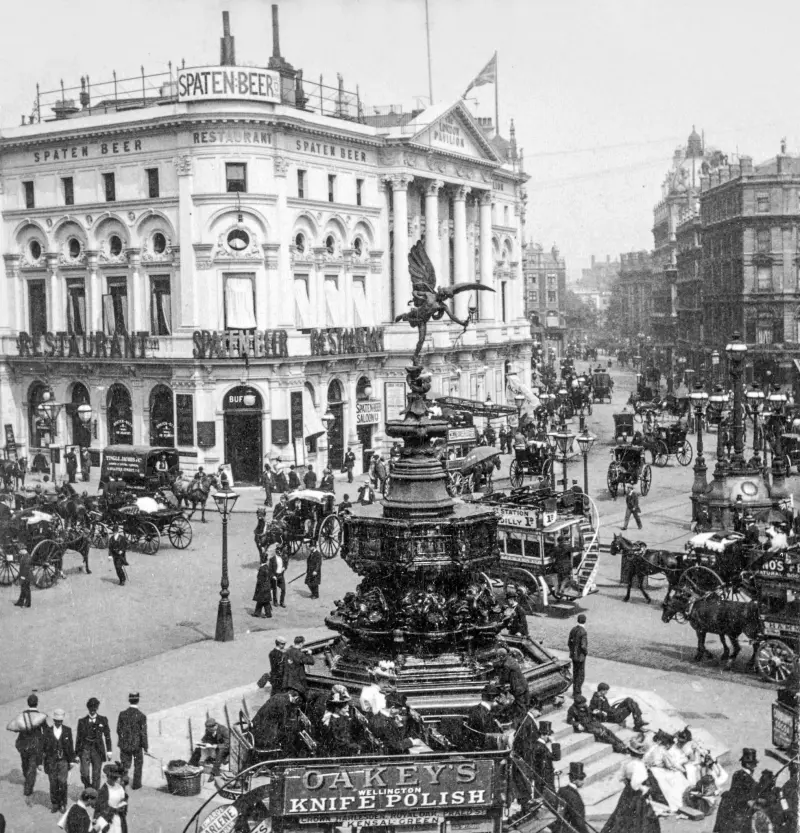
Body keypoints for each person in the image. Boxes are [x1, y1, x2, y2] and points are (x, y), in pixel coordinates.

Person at [602, 757, 661, 833]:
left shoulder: (626, 762)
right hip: (637, 794)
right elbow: (636, 785)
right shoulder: (638, 765)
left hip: (627, 792)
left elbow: (622, 778)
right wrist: (645, 789)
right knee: (639, 817)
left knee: (622, 814)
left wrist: (628, 783)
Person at [7, 692, 46, 796]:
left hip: (23, 744)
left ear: (28, 703)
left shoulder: (22, 715)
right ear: (36, 703)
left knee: (25, 764)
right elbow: (46, 731)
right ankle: (28, 789)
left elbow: (15, 727)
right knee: (32, 767)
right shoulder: (40, 717)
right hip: (35, 745)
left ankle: (27, 780)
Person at [713, 747, 759, 833]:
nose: (755, 766)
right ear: (748, 765)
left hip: (729, 805)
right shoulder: (747, 778)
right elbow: (745, 795)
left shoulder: (737, 773)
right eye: (754, 764)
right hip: (738, 808)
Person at [43, 707, 75, 813]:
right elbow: (43, 748)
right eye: (57, 720)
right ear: (54, 720)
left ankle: (63, 804)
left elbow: (70, 746)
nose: (58, 722)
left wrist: (71, 760)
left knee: (63, 782)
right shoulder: (47, 731)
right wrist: (42, 762)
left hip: (63, 761)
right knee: (53, 783)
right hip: (51, 762)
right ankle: (55, 804)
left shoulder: (67, 730)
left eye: (60, 721)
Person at [76, 698, 113, 790]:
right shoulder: (82, 721)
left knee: (96, 774)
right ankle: (88, 790)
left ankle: (95, 794)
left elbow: (107, 736)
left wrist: (109, 751)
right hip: (85, 750)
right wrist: (76, 754)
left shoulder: (103, 720)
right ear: (88, 708)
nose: (92, 710)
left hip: (98, 750)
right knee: (84, 773)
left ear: (97, 708)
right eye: (91, 708)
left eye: (94, 708)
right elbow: (78, 738)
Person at [251, 689, 302, 754]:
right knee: (287, 739)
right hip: (262, 732)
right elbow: (282, 724)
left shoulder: (278, 695)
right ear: (294, 698)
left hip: (257, 723)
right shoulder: (283, 704)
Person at [116, 693, 147, 791]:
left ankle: (123, 784)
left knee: (124, 765)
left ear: (129, 700)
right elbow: (143, 733)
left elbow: (118, 730)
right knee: (138, 765)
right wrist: (145, 747)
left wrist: (123, 740)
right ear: (138, 701)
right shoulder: (141, 716)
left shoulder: (122, 714)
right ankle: (137, 785)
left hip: (125, 744)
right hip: (137, 745)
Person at [494, 648, 530, 725]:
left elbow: (505, 678)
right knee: (525, 703)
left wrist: (498, 682)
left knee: (520, 705)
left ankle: (523, 722)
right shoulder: (511, 659)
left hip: (517, 687)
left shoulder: (506, 665)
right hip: (523, 683)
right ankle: (524, 718)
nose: (498, 658)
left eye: (498, 656)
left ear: (501, 656)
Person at [320, 688, 361, 757]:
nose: (348, 708)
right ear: (336, 709)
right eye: (345, 708)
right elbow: (338, 741)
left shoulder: (343, 717)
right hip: (336, 754)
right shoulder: (331, 721)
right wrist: (353, 746)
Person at [465, 685, 502, 751]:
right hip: (483, 749)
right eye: (498, 696)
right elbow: (489, 737)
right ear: (494, 698)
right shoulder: (485, 714)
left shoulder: (477, 709)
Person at [94, 762, 128, 833]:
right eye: (112, 777)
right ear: (108, 776)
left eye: (116, 778)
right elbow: (101, 808)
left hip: (118, 818)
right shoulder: (103, 790)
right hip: (107, 819)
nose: (114, 779)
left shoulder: (120, 788)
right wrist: (114, 810)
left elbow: (123, 800)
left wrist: (123, 806)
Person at [553, 762, 587, 833]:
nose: (583, 781)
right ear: (574, 780)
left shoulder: (561, 790)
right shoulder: (575, 798)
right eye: (581, 779)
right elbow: (579, 822)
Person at [531, 720, 557, 794]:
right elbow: (556, 757)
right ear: (542, 735)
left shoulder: (539, 745)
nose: (549, 737)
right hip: (545, 778)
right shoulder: (540, 747)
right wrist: (554, 742)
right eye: (549, 735)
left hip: (543, 776)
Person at [568, 614, 588, 697]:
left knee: (575, 674)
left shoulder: (573, 629)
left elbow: (569, 642)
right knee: (580, 675)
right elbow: (583, 646)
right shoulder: (583, 632)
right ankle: (577, 693)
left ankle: (574, 691)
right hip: (580, 657)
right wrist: (586, 652)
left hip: (573, 655)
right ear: (585, 621)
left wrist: (572, 651)